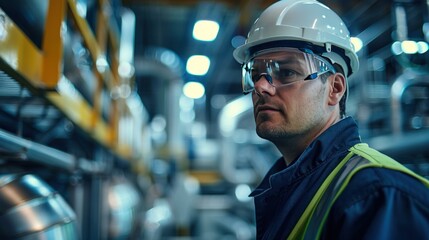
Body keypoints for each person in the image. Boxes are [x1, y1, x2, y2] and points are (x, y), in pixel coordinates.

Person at [232, 0, 429, 239]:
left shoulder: (378, 195)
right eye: (255, 75)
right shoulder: (290, 188)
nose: (261, 87)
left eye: (286, 72)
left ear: (335, 88)